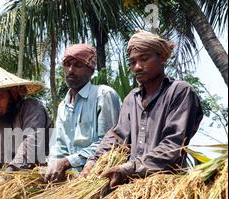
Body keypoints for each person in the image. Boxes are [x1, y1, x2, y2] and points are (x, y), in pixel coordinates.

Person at [81, 30, 204, 188]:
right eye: (132, 62)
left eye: (144, 59)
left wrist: (131, 168)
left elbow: (174, 144)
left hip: (167, 186)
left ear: (162, 58)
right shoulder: (132, 99)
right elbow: (117, 137)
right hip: (131, 188)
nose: (137, 67)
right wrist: (93, 162)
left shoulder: (180, 91)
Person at [44, 44, 121, 182]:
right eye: (67, 64)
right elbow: (59, 146)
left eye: (78, 65)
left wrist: (68, 161)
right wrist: (53, 166)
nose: (71, 70)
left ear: (91, 70)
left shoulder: (103, 95)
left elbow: (109, 143)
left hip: (97, 178)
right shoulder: (63, 106)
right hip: (70, 182)